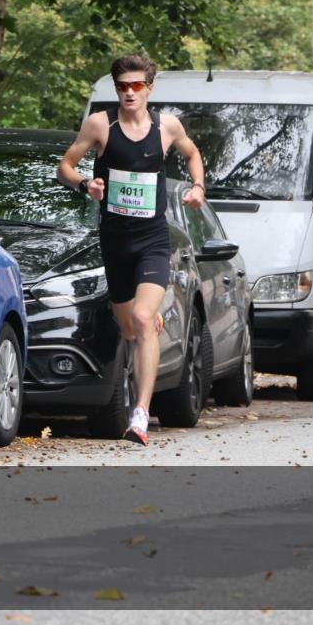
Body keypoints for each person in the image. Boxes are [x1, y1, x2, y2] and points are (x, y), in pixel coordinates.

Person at [58, 54, 205, 445]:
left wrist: (197, 188)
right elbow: (66, 165)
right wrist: (85, 184)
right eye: (122, 86)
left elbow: (192, 154)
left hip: (153, 240)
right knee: (128, 326)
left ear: (149, 89)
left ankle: (140, 413)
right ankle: (148, 328)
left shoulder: (167, 128)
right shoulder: (100, 126)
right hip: (115, 240)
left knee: (141, 319)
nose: (129, 92)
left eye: (136, 85)